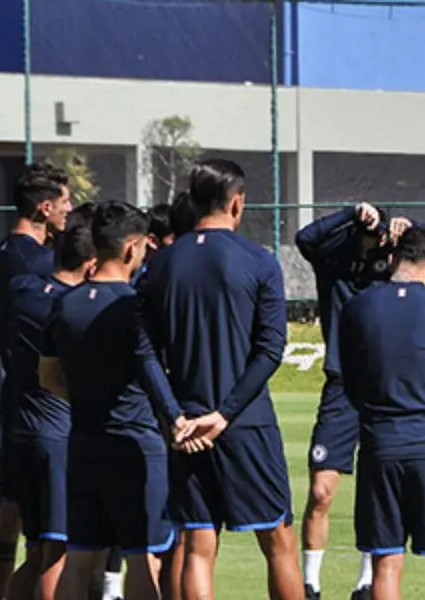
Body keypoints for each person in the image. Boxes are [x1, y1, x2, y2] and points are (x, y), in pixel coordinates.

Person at [139, 159, 304, 600]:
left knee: (198, 544)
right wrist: (226, 413)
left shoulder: (161, 265)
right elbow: (270, 349)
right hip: (245, 422)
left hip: (188, 426)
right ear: (237, 202)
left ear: (193, 202)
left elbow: (145, 352)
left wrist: (174, 416)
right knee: (280, 543)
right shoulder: (259, 260)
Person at [295, 200, 425, 600]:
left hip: (386, 389)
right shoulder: (333, 264)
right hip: (341, 384)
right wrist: (351, 213)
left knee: (381, 484)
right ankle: (311, 583)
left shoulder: (394, 268)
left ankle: (367, 581)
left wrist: (411, 226)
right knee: (321, 492)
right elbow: (305, 238)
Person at [37, 201, 191, 600]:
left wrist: (90, 398)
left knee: (79, 559)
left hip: (84, 444)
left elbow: (48, 376)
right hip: (134, 446)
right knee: (143, 558)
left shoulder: (65, 302)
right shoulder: (131, 306)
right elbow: (149, 369)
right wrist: (176, 419)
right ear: (131, 249)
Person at [337, 226, 425, 600]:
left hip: (380, 447)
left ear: (393, 261)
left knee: (386, 562)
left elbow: (350, 380)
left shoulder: (357, 307)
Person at [0, 163, 72, 600]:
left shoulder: (2, 253)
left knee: (11, 503)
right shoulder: (40, 262)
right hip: (31, 401)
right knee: (38, 519)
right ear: (45, 208)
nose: (69, 211)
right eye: (65, 203)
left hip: (2, 393)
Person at [3, 212, 97, 600]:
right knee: (58, 553)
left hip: (21, 432)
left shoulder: (22, 291)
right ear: (91, 265)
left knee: (38, 549)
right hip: (57, 436)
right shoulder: (71, 310)